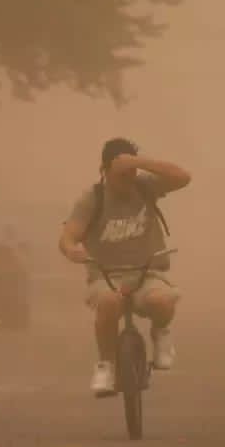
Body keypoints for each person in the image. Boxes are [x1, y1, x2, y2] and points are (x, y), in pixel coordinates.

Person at [59, 138, 192, 396]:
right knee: (109, 303)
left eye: (132, 173)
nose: (128, 179)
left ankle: (161, 332)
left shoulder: (144, 187)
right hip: (106, 276)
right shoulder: (93, 198)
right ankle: (106, 366)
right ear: (105, 170)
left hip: (147, 272)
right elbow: (68, 236)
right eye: (121, 174)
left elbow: (183, 177)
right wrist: (71, 249)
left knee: (163, 302)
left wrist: (140, 162)